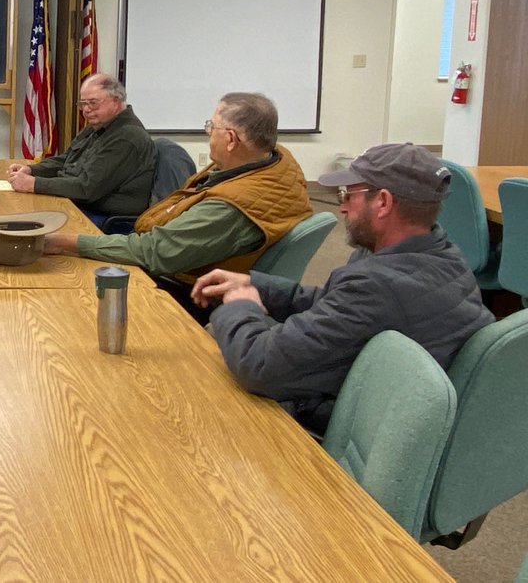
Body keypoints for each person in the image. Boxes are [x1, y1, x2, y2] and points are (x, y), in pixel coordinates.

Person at [191, 142, 494, 433]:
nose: (343, 207)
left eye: (348, 195)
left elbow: (257, 365)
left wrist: (239, 305)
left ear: (383, 203)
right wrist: (256, 285)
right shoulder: (438, 252)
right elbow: (333, 303)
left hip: (358, 426)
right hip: (394, 402)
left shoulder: (377, 286)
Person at [43, 92, 311, 283]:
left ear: (230, 139)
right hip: (190, 258)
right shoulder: (273, 160)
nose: (208, 133)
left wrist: (67, 242)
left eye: (211, 126)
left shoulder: (229, 208)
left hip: (188, 288)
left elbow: (153, 252)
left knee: (68, 280)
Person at [7, 74, 156, 225]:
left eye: (93, 103)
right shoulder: (98, 126)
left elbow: (86, 188)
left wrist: (34, 184)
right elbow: (65, 160)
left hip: (103, 217)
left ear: (116, 101)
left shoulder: (127, 137)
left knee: (26, 222)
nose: (86, 110)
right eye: (83, 103)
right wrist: (32, 170)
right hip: (76, 203)